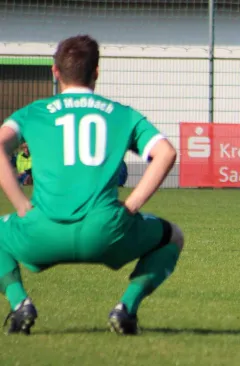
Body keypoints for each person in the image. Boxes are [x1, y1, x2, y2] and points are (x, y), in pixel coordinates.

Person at [0, 35, 182, 335]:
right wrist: (132, 205)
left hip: (42, 231)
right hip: (106, 232)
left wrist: (20, 204)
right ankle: (126, 309)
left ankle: (20, 304)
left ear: (55, 72)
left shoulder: (33, 112)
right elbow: (166, 153)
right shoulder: (123, 114)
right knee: (173, 236)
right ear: (97, 72)